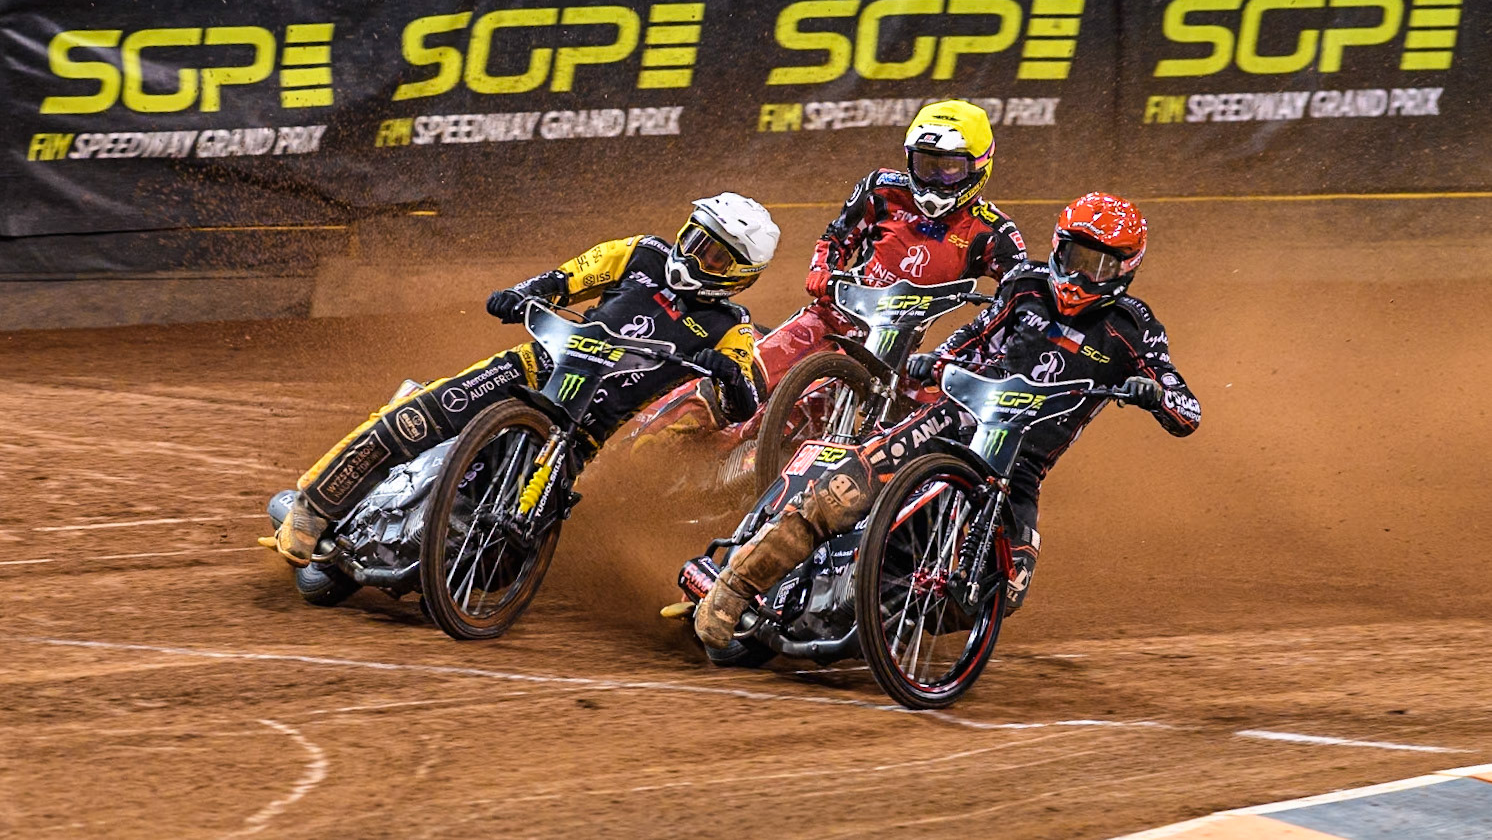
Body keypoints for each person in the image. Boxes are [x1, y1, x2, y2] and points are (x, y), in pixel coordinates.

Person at [693, 192, 1200, 648]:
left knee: (1004, 590)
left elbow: (1187, 409)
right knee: (843, 490)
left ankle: (874, 612)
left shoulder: (1134, 327)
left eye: (1097, 265)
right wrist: (936, 360)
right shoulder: (1026, 286)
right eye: (1073, 257)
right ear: (1057, 247)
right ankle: (734, 588)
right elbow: (976, 334)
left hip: (1019, 469)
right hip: (954, 419)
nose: (1079, 275)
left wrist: (1155, 394)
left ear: (1126, 269)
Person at [262, 193, 780, 566]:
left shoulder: (730, 326)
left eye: (713, 255)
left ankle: (452, 558)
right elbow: (566, 278)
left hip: (584, 429)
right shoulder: (642, 252)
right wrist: (520, 294)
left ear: (739, 275)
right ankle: (313, 509)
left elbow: (748, 400)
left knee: (509, 555)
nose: (693, 255)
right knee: (429, 412)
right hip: (537, 366)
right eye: (694, 238)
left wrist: (728, 375)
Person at [631, 99, 1027, 442]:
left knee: (800, 423)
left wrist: (979, 349)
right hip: (831, 315)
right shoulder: (882, 189)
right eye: (925, 165)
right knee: (747, 376)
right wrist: (822, 269)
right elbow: (836, 238)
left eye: (949, 170)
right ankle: (648, 440)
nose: (935, 179)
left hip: (892, 346)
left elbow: (1021, 299)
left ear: (978, 168)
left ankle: (738, 481)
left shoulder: (994, 232)